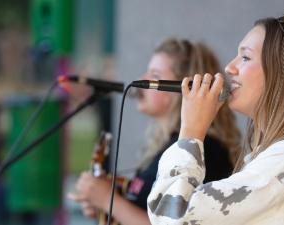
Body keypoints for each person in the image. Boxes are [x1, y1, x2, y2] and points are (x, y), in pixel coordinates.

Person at [147, 15, 284, 225]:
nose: (229, 68)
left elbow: (174, 217)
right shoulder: (279, 157)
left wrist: (191, 133)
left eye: (246, 57)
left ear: (283, 76)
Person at [68, 38, 241, 225]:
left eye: (155, 75)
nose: (143, 80)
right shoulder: (170, 145)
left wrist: (108, 201)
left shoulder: (204, 149)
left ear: (185, 88)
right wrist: (104, 205)